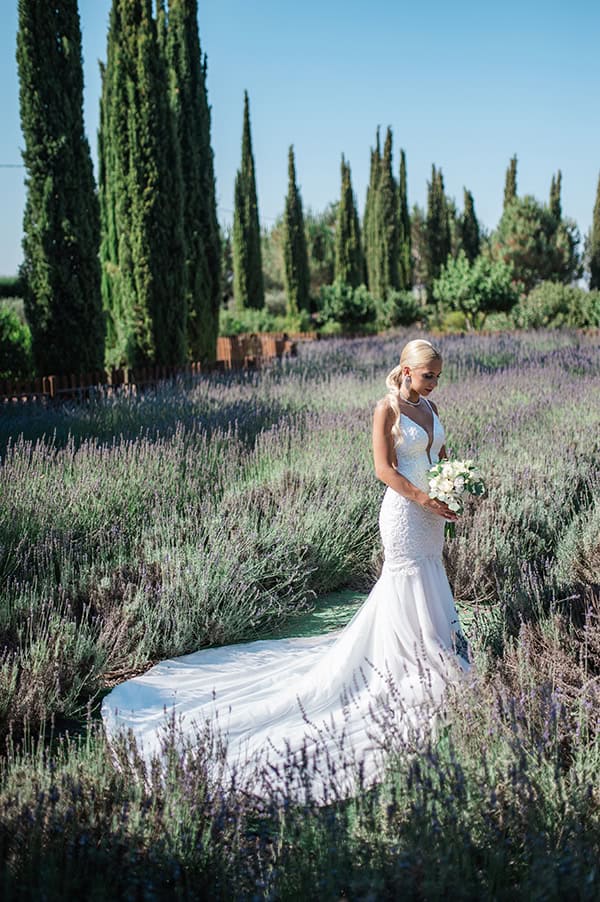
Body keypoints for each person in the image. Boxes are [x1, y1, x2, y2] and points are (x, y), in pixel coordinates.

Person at [102, 338, 470, 801]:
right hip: (403, 512)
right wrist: (421, 497)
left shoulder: (431, 409)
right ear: (406, 370)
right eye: (427, 374)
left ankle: (435, 652)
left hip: (431, 513)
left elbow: (439, 460)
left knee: (430, 574)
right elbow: (383, 469)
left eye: (438, 375)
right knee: (404, 582)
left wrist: (451, 491)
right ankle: (405, 665)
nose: (434, 382)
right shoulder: (386, 408)